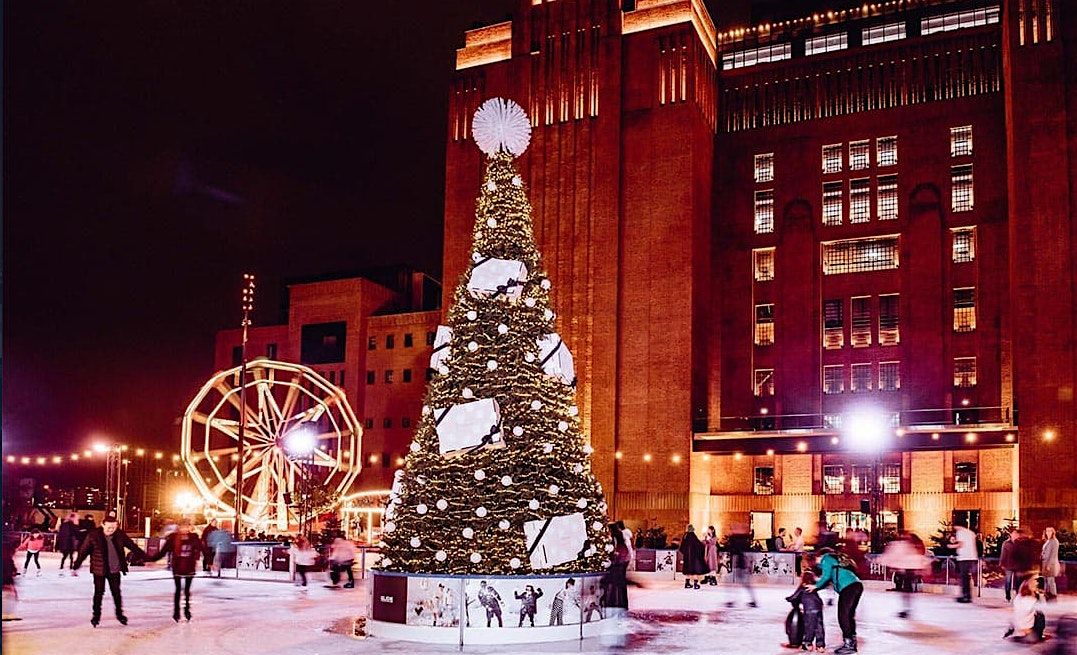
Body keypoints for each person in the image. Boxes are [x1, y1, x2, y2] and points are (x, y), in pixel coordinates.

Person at [72, 510, 147, 627]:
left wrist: (146, 556)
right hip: (99, 570)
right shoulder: (93, 535)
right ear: (103, 525)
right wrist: (76, 566)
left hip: (115, 570)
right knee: (98, 593)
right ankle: (96, 617)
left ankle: (120, 615)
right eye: (109, 528)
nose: (111, 530)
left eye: (114, 527)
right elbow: (83, 551)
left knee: (116, 593)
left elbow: (132, 546)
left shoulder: (119, 534)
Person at [148, 518, 202, 622]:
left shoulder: (194, 538)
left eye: (187, 526)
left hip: (189, 566)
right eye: (183, 526)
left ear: (189, 527)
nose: (185, 529)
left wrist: (210, 562)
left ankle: (187, 610)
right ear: (179, 527)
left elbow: (202, 549)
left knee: (187, 590)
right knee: (178, 590)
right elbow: (163, 552)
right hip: (178, 566)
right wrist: (152, 560)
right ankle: (176, 612)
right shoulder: (173, 538)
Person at [814, 548, 863, 654]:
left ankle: (849, 644)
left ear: (819, 556)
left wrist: (814, 586)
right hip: (856, 585)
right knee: (849, 615)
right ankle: (851, 642)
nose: (817, 563)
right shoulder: (835, 561)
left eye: (816, 559)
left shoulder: (826, 558)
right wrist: (816, 587)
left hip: (848, 587)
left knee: (843, 616)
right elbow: (827, 582)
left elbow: (825, 577)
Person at [878, 531, 930, 619]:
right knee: (906, 588)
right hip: (908, 568)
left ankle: (907, 608)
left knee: (906, 588)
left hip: (908, 569)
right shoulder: (908, 544)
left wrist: (884, 561)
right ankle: (907, 608)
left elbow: (894, 555)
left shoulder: (904, 544)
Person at [786, 570, 825, 652]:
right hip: (818, 609)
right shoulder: (813, 588)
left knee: (809, 626)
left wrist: (788, 599)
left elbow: (794, 597)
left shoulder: (803, 588)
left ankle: (807, 643)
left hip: (810, 610)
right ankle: (820, 645)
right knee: (819, 627)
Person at [1004, 577, 1046, 642]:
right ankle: (1037, 635)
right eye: (1035, 586)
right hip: (1029, 631)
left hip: (1018, 628)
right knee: (1040, 614)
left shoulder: (1017, 598)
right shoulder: (1033, 600)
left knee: (1017, 614)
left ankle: (1014, 633)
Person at [726, 524, 758, 608]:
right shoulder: (743, 539)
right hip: (741, 563)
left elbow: (735, 551)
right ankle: (752, 600)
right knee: (742, 583)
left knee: (741, 583)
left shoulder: (736, 539)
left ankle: (735, 600)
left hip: (740, 563)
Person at [949, 520, 978, 603]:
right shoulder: (971, 533)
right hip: (972, 557)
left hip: (964, 557)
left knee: (964, 577)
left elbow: (961, 544)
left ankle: (965, 596)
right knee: (967, 577)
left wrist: (951, 546)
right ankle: (967, 595)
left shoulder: (960, 532)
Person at [678, 525, 708, 590]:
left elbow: (681, 547)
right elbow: (698, 545)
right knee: (694, 570)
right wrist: (704, 544)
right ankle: (696, 584)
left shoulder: (685, 536)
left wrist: (686, 553)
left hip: (687, 557)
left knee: (688, 570)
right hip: (693, 557)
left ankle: (687, 583)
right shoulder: (693, 536)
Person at [1041, 527, 1060, 599]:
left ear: (1053, 532)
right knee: (1046, 581)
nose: (1048, 532)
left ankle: (1053, 597)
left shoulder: (1054, 541)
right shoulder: (1047, 541)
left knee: (1050, 581)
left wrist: (1049, 565)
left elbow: (1053, 554)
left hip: (1051, 564)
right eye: (1047, 531)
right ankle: (1047, 596)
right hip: (1044, 563)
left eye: (1049, 531)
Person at [1000, 529, 1018, 602]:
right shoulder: (1006, 543)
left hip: (1017, 565)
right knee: (1008, 581)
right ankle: (1008, 596)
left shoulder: (1019, 543)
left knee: (1018, 582)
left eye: (1016, 534)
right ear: (1011, 534)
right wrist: (1002, 563)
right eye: (1013, 534)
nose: (1015, 535)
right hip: (1008, 565)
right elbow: (1003, 554)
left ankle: (1017, 596)